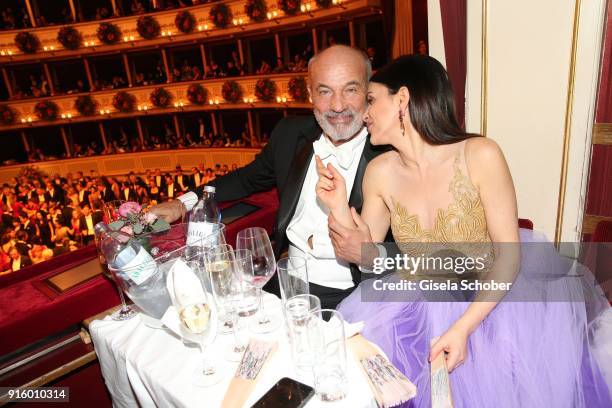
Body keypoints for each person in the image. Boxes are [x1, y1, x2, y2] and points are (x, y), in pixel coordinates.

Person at [316, 54, 612, 407]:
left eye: (371, 100)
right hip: (417, 302)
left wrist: (463, 328)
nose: (364, 113)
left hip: (494, 306)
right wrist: (336, 207)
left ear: (402, 99)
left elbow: (509, 257)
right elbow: (368, 257)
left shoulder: (480, 154)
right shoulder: (379, 171)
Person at [150, 45, 391, 309]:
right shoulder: (289, 133)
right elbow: (245, 180)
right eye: (324, 91)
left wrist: (371, 256)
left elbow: (432, 261)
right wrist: (182, 203)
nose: (337, 105)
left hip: (351, 295)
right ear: (310, 93)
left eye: (351, 89)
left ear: (368, 91)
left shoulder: (389, 153)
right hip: (282, 282)